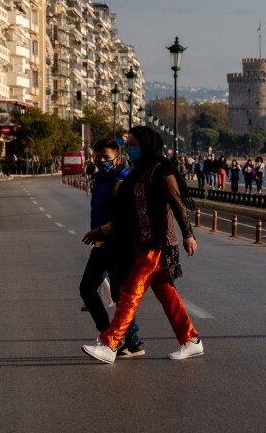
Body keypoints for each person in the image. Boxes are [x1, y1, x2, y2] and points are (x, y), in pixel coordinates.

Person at [81, 126, 202, 364]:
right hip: (141, 242)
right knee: (167, 295)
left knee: (129, 293)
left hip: (158, 242)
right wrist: (105, 231)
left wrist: (188, 234)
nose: (130, 149)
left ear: (146, 145)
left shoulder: (160, 169)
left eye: (134, 144)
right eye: (128, 145)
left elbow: (176, 202)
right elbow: (126, 213)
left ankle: (110, 343)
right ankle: (190, 340)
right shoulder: (137, 172)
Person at [79, 139, 143, 357]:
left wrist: (101, 231)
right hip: (101, 245)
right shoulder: (100, 179)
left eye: (106, 158)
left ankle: (121, 341)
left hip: (117, 244)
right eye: (98, 157)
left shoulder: (122, 181)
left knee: (119, 293)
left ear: (117, 159)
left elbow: (127, 218)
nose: (101, 161)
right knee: (88, 289)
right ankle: (114, 336)